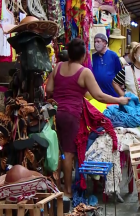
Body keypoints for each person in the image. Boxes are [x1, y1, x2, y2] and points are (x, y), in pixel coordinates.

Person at [46, 38, 129, 198]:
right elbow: (99, 96)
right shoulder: (84, 72)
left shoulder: (58, 67)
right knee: (69, 153)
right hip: (72, 115)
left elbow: (49, 89)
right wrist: (120, 100)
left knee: (59, 150)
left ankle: (57, 187)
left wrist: (72, 90)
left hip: (56, 113)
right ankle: (68, 191)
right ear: (84, 56)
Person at [92, 33, 122, 97]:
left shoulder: (113, 55)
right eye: (95, 42)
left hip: (112, 91)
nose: (96, 44)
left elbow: (119, 72)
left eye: (98, 41)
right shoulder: (93, 57)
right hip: (99, 93)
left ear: (105, 43)